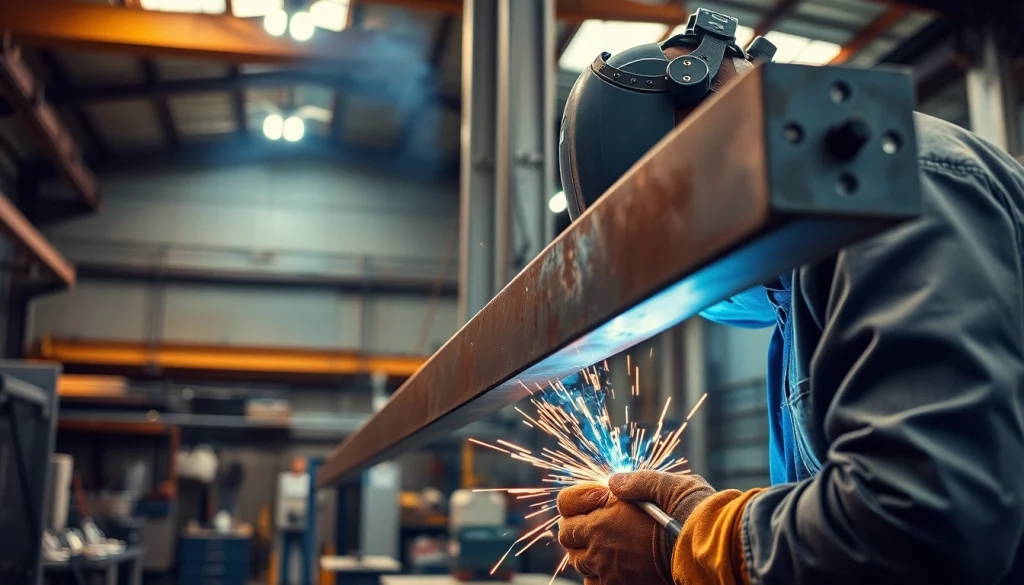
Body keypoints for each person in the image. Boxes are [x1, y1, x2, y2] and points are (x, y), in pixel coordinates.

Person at [554, 8, 1024, 585]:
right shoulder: (794, 285)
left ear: (704, 134)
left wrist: (684, 547)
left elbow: (927, 525)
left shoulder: (895, 182)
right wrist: (698, 521)